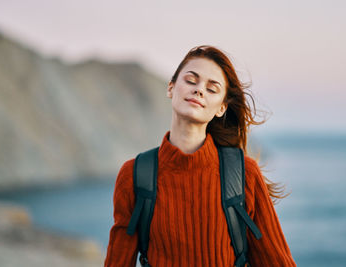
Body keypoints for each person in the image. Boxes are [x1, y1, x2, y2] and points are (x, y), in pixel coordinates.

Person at [104, 45, 296, 267]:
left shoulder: (245, 174)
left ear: (221, 108)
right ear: (171, 88)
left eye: (212, 89)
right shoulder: (135, 175)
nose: (199, 90)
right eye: (191, 80)